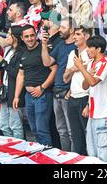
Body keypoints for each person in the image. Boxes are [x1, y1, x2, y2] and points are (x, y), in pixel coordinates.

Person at [73, 35, 107, 163]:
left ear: (98, 49)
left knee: (103, 152)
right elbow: (85, 85)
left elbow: (92, 82)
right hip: (93, 112)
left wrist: (81, 67)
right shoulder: (92, 63)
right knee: (91, 151)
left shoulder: (105, 63)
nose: (87, 50)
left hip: (103, 113)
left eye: (90, 47)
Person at [13, 24, 58, 146]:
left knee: (42, 129)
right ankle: (40, 155)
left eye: (32, 35)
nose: (30, 39)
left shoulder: (44, 49)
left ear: (36, 35)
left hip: (42, 94)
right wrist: (16, 96)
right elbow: (21, 75)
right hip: (29, 96)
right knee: (33, 129)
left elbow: (55, 69)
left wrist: (42, 87)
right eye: (26, 36)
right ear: (22, 38)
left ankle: (48, 156)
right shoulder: (23, 52)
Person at [41, 17, 76, 151]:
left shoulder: (76, 47)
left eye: (63, 27)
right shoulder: (60, 45)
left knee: (72, 131)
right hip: (57, 91)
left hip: (69, 92)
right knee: (62, 130)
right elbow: (47, 62)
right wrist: (44, 45)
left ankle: (74, 159)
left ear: (72, 30)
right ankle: (65, 157)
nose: (60, 30)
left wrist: (71, 91)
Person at [0, 25, 25, 139]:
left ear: (15, 37)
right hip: (5, 89)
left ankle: (19, 148)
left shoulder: (22, 52)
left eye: (9, 34)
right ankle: (11, 146)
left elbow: (17, 74)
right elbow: (5, 69)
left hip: (15, 90)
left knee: (15, 125)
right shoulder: (9, 49)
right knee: (4, 125)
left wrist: (3, 62)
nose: (7, 36)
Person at [63, 26, 92, 155]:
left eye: (78, 34)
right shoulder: (72, 53)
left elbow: (93, 78)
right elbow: (65, 78)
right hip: (73, 97)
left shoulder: (91, 53)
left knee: (87, 134)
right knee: (75, 134)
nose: (74, 37)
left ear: (86, 37)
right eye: (74, 34)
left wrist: (88, 104)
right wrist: (74, 68)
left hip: (85, 97)